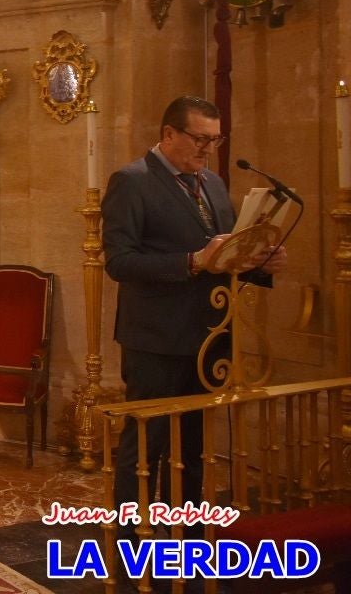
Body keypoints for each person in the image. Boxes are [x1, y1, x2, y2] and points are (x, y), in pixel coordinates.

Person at [102, 95, 287, 536]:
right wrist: (190, 261)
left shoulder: (213, 184)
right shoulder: (132, 181)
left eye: (215, 140)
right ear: (169, 134)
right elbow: (119, 262)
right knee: (147, 446)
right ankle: (131, 544)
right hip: (155, 337)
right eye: (199, 139)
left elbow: (222, 256)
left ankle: (184, 538)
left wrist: (259, 264)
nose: (207, 149)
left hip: (208, 334)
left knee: (194, 446)